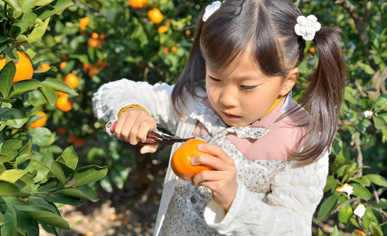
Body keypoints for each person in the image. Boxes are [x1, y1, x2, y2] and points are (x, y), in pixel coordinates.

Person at [92, 0, 345, 235]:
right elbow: (111, 92)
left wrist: (235, 199)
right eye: (215, 78)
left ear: (287, 81)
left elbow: (293, 228)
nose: (226, 99)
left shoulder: (300, 139)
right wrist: (132, 110)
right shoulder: (196, 103)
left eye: (246, 87)